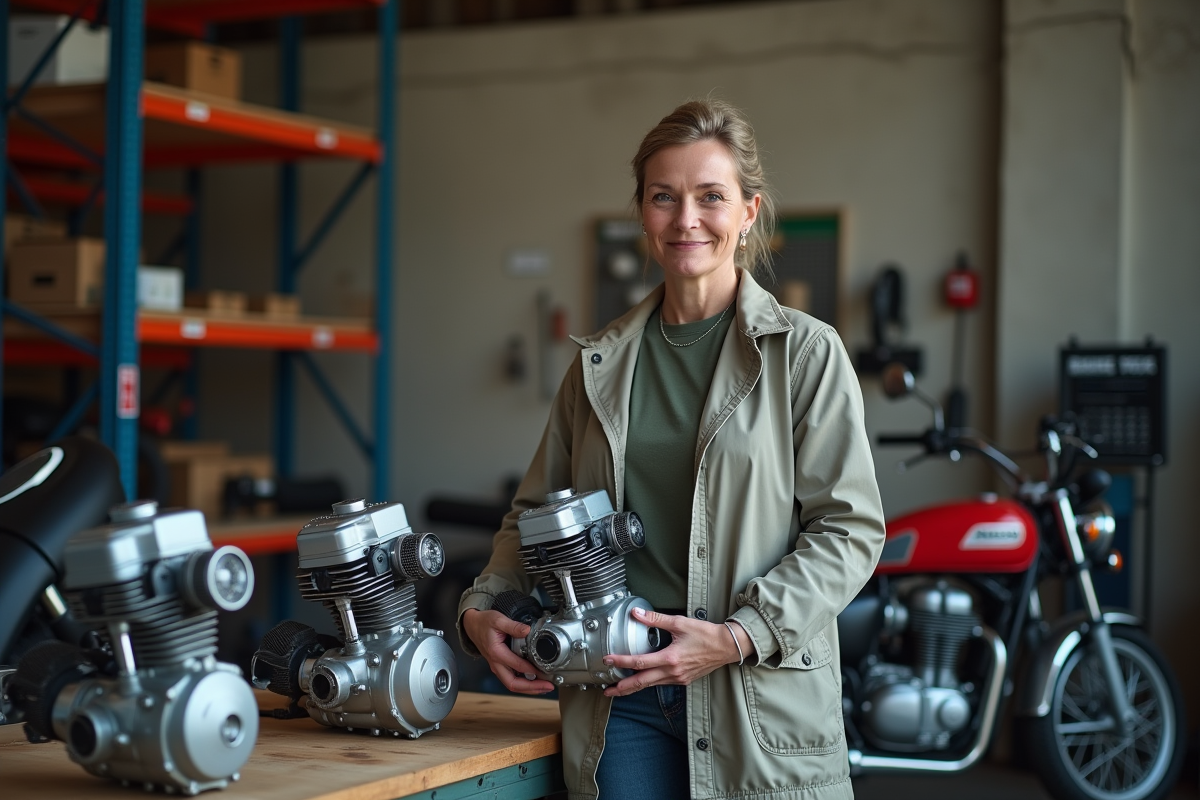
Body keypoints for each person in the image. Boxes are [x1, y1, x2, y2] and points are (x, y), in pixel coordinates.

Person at [458, 98, 885, 800]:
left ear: (748, 212)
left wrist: (739, 635)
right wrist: (482, 610)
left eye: (710, 197)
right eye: (665, 198)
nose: (686, 219)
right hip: (618, 692)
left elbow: (849, 531)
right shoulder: (600, 363)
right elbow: (532, 514)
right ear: (644, 215)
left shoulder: (804, 354)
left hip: (751, 689)